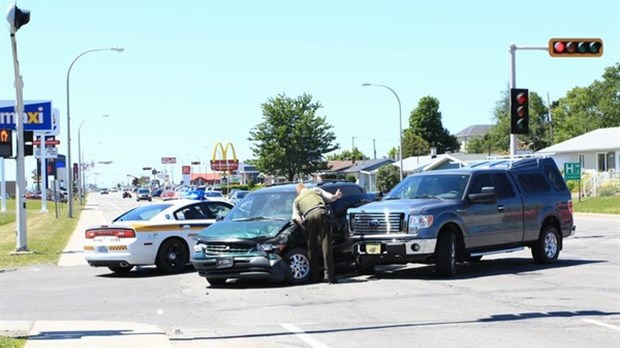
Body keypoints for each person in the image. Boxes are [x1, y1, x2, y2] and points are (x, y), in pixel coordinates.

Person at [292, 182, 342, 284]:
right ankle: (329, 276)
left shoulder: (296, 200)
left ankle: (314, 276)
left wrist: (305, 227)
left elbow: (295, 218)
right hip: (321, 212)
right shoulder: (315, 190)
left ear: (298, 192)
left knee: (311, 247)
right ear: (305, 187)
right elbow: (331, 197)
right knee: (326, 244)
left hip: (308, 216)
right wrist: (336, 196)